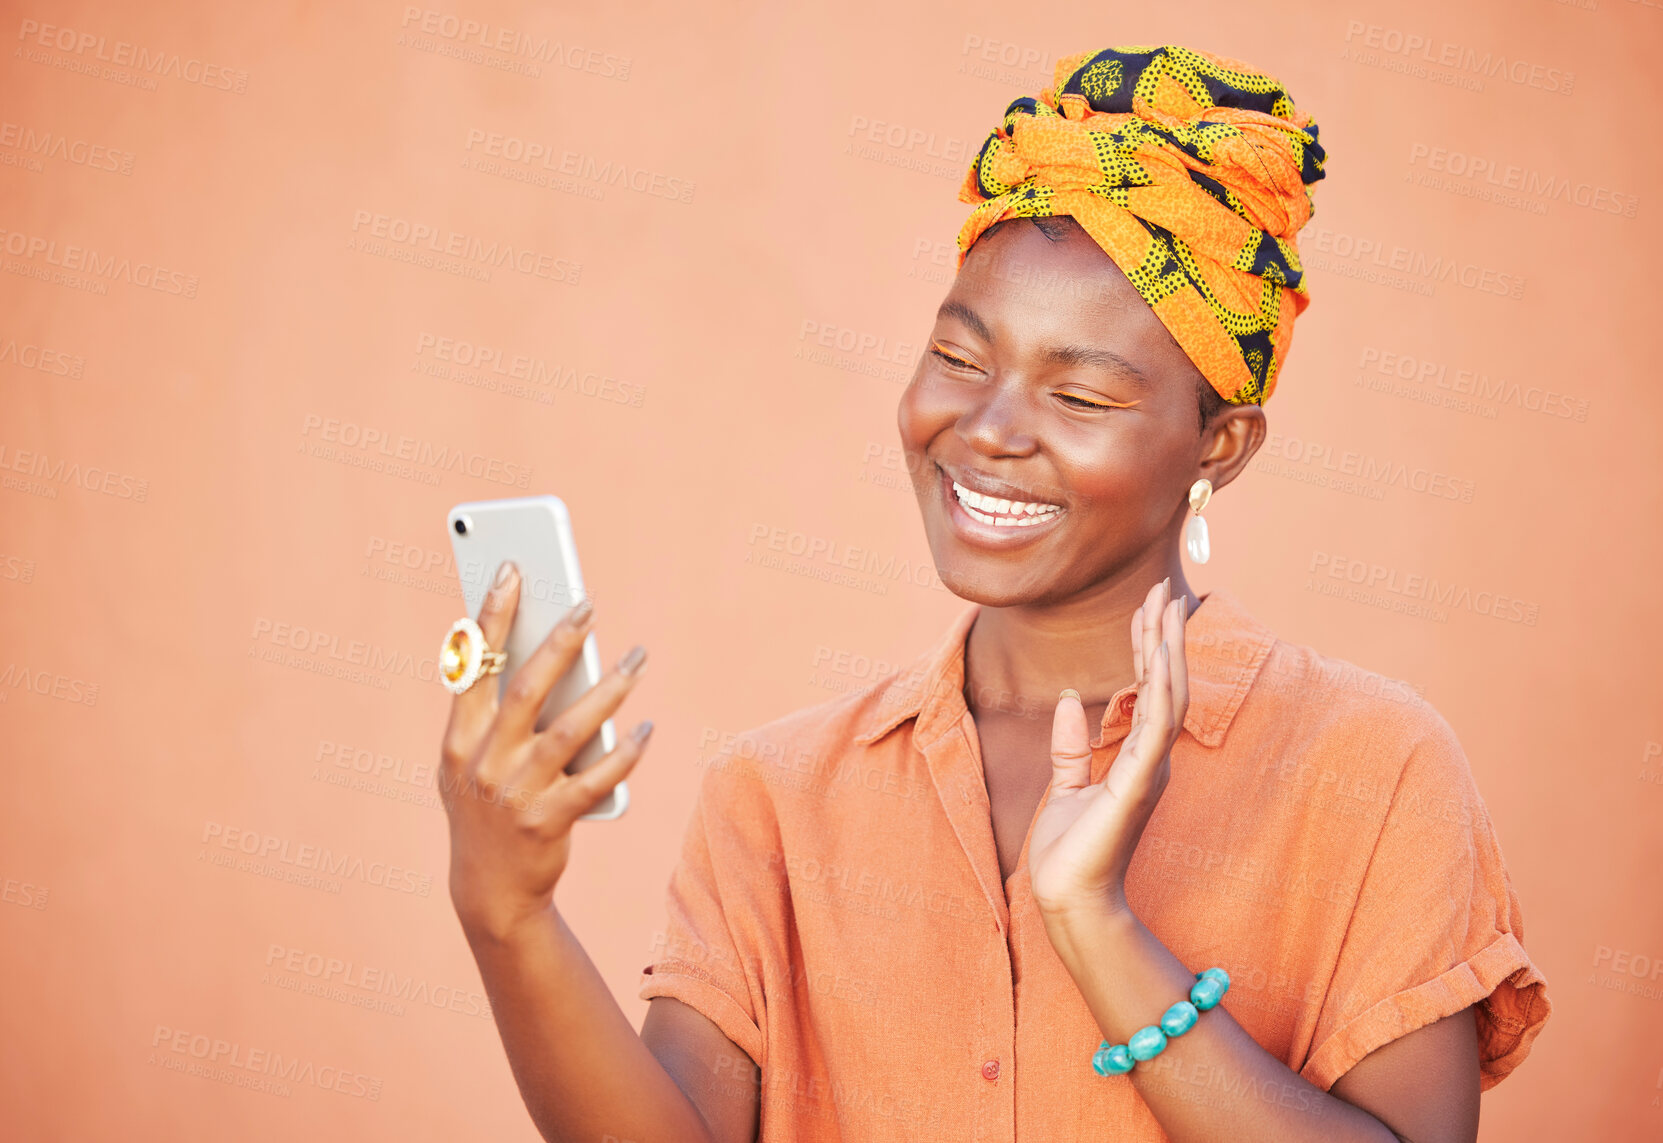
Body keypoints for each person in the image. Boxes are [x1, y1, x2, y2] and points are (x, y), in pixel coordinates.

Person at [435, 44, 1550, 1143]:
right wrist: (509, 916)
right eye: (961, 362)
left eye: (1077, 394)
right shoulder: (775, 798)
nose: (986, 431)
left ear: (1219, 446)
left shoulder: (1370, 770)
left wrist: (1096, 926)